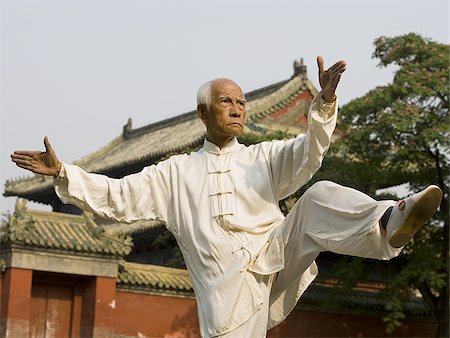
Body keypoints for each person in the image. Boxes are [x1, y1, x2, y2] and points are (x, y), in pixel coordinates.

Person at [11, 56, 442, 338]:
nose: (237, 108)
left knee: (319, 196)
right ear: (203, 113)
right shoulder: (174, 173)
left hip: (274, 258)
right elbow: (117, 195)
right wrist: (64, 173)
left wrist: (325, 101)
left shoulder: (264, 158)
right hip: (225, 289)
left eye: (241, 102)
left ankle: (386, 223)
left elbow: (310, 151)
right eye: (226, 102)